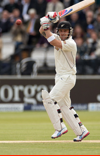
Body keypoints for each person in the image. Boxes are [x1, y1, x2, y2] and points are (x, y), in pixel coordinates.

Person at [39, 12, 90, 142]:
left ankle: (59, 127)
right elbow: (42, 31)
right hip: (60, 76)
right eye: (61, 31)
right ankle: (81, 131)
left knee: (49, 99)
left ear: (69, 32)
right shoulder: (56, 36)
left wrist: (46, 25)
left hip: (67, 77)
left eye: (65, 31)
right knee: (65, 107)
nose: (62, 33)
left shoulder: (71, 43)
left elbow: (52, 41)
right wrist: (47, 19)